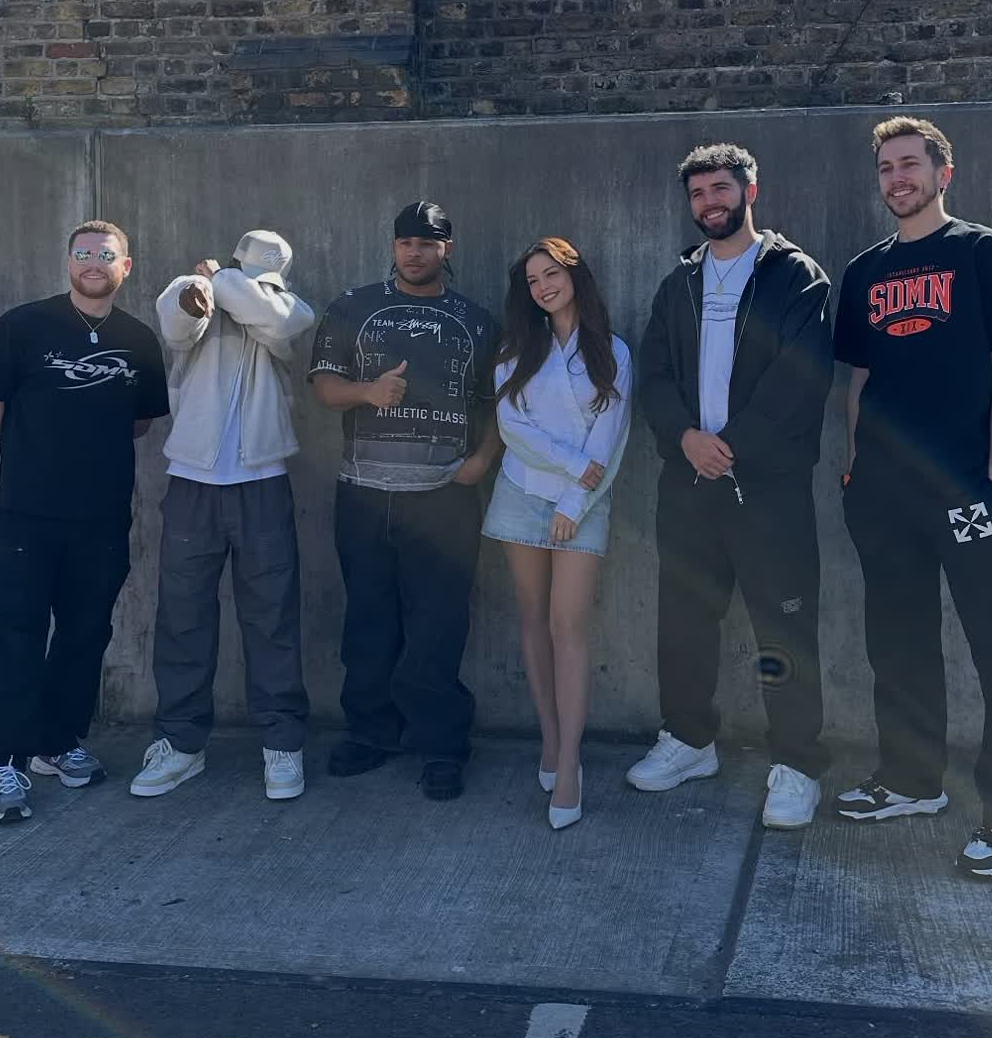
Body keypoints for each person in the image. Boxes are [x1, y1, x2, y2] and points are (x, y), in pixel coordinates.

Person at [835, 116, 992, 880]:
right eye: (886, 167)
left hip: (964, 487)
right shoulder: (864, 271)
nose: (897, 177)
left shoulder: (986, 252)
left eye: (909, 164)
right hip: (881, 492)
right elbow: (859, 379)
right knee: (897, 642)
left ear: (942, 172)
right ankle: (909, 779)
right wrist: (854, 469)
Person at [634, 143, 833, 829]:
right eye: (697, 193)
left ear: (751, 190)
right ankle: (689, 740)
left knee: (783, 626)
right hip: (688, 482)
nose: (709, 202)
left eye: (720, 188)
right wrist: (687, 439)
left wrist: (733, 447)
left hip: (767, 489)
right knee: (684, 620)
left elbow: (801, 375)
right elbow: (654, 375)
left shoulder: (794, 276)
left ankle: (797, 764)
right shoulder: (679, 285)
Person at [0, 220, 169, 825]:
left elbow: (140, 422)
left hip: (101, 521)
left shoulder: (138, 339)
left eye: (106, 254)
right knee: (15, 638)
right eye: (83, 253)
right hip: (24, 518)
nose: (93, 262)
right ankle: (4, 762)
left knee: (85, 636)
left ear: (125, 267)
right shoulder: (20, 327)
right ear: (69, 261)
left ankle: (57, 741)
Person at [308, 201, 501, 801]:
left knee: (438, 624)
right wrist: (368, 390)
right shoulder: (352, 307)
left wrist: (481, 461)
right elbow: (324, 387)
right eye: (405, 242)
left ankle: (442, 745)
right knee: (368, 620)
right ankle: (371, 733)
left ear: (447, 248)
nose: (414, 253)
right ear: (393, 247)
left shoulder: (478, 322)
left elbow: (502, 403)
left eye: (427, 243)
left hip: (444, 499)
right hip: (364, 494)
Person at [130, 230, 316, 804]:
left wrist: (224, 278)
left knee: (272, 615)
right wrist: (198, 288)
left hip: (262, 482)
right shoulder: (198, 290)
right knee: (182, 616)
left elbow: (278, 321)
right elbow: (174, 324)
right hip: (193, 481)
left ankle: (282, 743)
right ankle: (181, 744)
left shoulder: (286, 307)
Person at [484, 237, 631, 830]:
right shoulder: (516, 347)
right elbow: (511, 426)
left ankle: (570, 762)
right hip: (520, 492)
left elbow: (610, 439)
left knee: (568, 626)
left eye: (552, 274)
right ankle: (549, 736)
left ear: (575, 275)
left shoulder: (612, 350)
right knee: (533, 620)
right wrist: (572, 466)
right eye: (533, 280)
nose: (543, 287)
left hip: (585, 504)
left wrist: (574, 499)